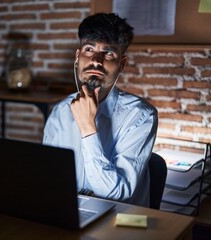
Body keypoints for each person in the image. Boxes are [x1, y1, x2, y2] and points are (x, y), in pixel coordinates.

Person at [42, 13, 158, 207]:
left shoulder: (142, 116)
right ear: (78, 57)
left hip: (117, 222)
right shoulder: (60, 111)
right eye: (89, 49)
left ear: (121, 65)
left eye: (108, 52)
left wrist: (88, 128)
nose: (96, 60)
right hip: (67, 212)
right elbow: (47, 176)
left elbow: (116, 194)